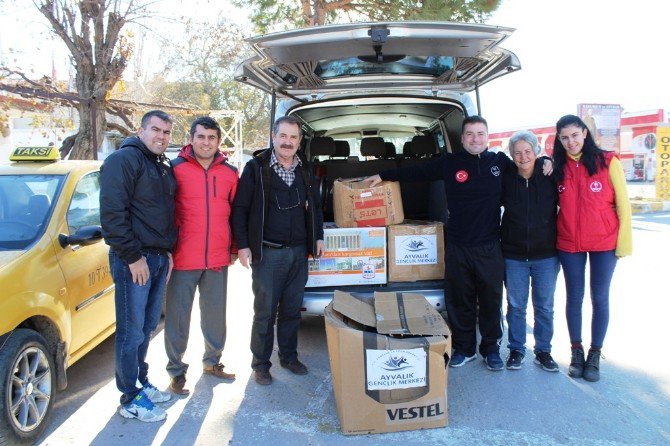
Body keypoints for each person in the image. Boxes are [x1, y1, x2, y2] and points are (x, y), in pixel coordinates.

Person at [367, 116, 516, 371]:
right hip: (457, 245)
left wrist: (545, 161)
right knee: (460, 300)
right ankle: (464, 349)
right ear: (462, 138)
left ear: (488, 136)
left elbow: (527, 169)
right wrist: (383, 173)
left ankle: (491, 349)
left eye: (480, 134)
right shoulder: (450, 163)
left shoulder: (500, 163)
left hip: (490, 246)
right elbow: (416, 172)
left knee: (491, 301)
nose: (475, 139)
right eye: (470, 134)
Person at [231, 115, 324, 385]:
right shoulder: (256, 168)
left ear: (299, 141)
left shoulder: (304, 170)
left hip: (299, 253)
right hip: (268, 254)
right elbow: (240, 209)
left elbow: (315, 206)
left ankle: (289, 357)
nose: (287, 142)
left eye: (293, 137)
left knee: (292, 311)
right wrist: (243, 245)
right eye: (283, 136)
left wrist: (317, 236)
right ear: (273, 137)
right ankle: (260, 363)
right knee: (265, 312)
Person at [100, 110, 177, 422]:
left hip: (157, 257)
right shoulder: (124, 160)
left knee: (146, 328)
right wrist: (133, 257)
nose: (161, 136)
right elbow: (112, 216)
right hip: (134, 260)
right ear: (141, 129)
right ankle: (129, 397)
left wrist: (167, 251)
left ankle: (141, 382)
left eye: (167, 132)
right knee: (131, 331)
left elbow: (161, 213)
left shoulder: (160, 164)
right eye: (156, 130)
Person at [553, 114, 632, 382]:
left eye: (575, 135)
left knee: (600, 298)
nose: (571, 141)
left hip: (604, 243)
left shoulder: (608, 162)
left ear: (585, 133)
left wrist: (624, 244)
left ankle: (595, 354)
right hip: (569, 243)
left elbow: (623, 205)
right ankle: (576, 351)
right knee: (574, 297)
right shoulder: (557, 165)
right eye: (564, 137)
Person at [164, 116, 239, 396]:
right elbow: (164, 213)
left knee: (215, 316)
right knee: (178, 318)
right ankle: (176, 371)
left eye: (211, 137)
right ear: (191, 139)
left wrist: (233, 248)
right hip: (183, 257)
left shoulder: (230, 173)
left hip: (218, 258)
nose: (206, 142)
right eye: (200, 137)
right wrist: (166, 251)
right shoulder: (173, 169)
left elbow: (236, 214)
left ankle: (212, 362)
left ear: (218, 141)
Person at [501, 131, 560, 372]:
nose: (523, 156)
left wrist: (551, 160)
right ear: (512, 155)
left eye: (528, 151)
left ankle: (543, 351)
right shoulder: (505, 177)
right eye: (518, 152)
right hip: (514, 255)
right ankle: (516, 349)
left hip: (546, 254)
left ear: (536, 152)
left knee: (544, 306)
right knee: (516, 306)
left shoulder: (549, 176)